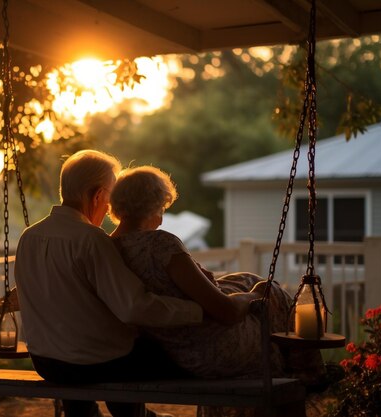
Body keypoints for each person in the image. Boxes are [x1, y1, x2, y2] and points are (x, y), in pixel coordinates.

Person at [108, 165, 325, 416]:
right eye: (163, 207)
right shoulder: (160, 244)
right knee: (269, 293)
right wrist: (255, 294)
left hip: (172, 349)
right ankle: (309, 375)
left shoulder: (108, 249)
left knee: (241, 279)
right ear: (154, 205)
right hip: (209, 348)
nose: (163, 214)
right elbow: (227, 311)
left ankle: (305, 372)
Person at [14, 150, 204, 417]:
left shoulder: (28, 238)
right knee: (176, 354)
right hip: (94, 362)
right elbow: (134, 307)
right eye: (111, 198)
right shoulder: (91, 240)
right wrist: (196, 311)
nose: (111, 208)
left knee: (97, 355)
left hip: (46, 362)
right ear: (98, 195)